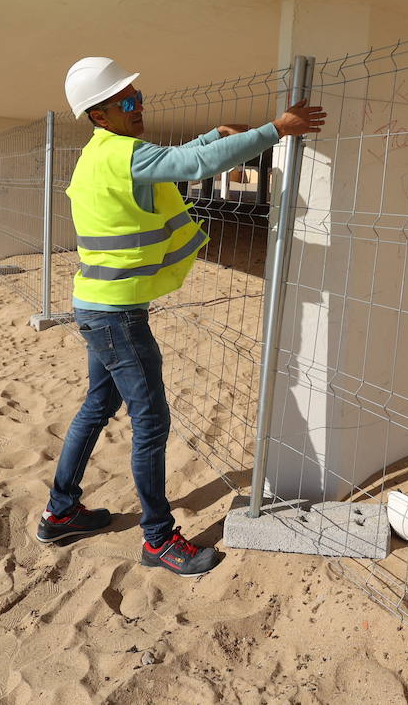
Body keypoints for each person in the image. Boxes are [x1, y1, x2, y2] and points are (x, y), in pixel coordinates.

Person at [37, 56, 325, 576]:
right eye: (126, 101)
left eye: (138, 96)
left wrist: (211, 133)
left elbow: (169, 160)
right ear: (100, 114)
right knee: (150, 423)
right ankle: (157, 539)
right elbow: (191, 167)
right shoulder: (124, 155)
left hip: (96, 307)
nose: (138, 105)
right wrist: (275, 130)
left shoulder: (100, 153)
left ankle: (61, 513)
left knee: (96, 407)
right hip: (119, 317)